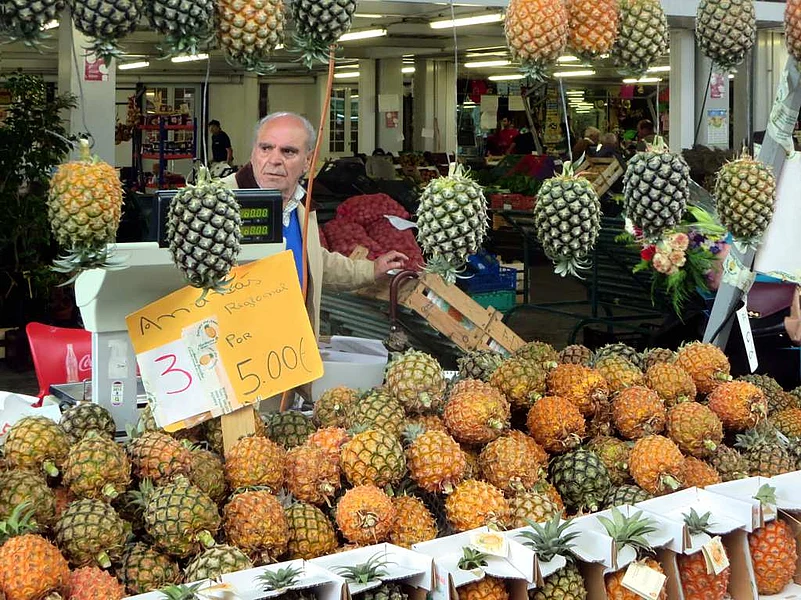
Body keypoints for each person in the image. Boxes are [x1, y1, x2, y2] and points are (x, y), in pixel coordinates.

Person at [221, 112, 408, 338]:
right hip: (231, 349)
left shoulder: (301, 206)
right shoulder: (218, 202)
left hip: (291, 348)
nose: (274, 159)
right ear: (253, 153)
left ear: (308, 161)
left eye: (288, 151)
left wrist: (370, 269)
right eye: (266, 148)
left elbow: (313, 260)